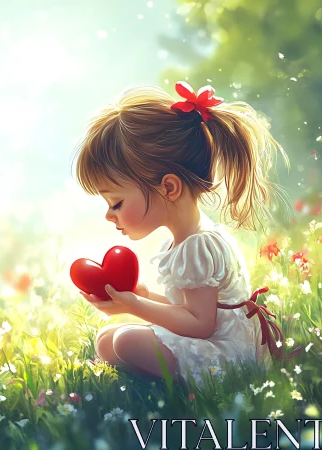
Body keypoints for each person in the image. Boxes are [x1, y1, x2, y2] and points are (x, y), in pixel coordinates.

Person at [73, 81, 301, 387]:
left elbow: (200, 325)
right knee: (106, 340)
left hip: (227, 354)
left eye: (116, 202)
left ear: (168, 187)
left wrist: (135, 306)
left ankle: (171, 385)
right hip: (210, 339)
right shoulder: (183, 240)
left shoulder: (199, 245)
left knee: (125, 341)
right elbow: (187, 308)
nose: (109, 214)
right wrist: (144, 297)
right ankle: (147, 382)